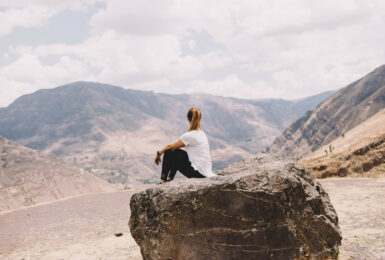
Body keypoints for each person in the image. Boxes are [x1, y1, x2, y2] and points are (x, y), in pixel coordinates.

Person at [155, 107, 217, 184]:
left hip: (197, 173)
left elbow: (169, 147)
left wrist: (159, 154)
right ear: (199, 119)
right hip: (206, 171)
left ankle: (162, 180)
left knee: (168, 152)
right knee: (176, 153)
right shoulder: (202, 133)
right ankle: (170, 178)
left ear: (188, 118)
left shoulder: (189, 135)